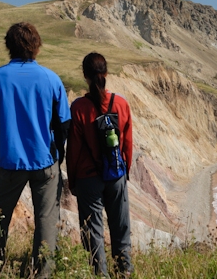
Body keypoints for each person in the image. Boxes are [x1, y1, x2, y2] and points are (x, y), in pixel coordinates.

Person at [0, 22, 71, 277]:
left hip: (9, 162)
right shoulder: (51, 79)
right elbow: (64, 125)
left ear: (9, 47)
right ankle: (41, 272)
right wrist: (57, 157)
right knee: (46, 221)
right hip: (45, 162)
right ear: (36, 46)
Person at [66, 52, 134, 276]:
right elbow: (128, 144)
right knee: (120, 229)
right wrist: (125, 172)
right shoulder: (121, 104)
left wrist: (73, 180)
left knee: (93, 233)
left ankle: (99, 274)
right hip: (116, 175)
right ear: (106, 74)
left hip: (88, 178)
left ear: (85, 76)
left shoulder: (78, 107)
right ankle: (124, 272)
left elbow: (73, 148)